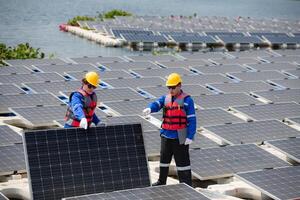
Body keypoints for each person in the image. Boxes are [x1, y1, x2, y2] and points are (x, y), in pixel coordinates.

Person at [142, 73, 196, 186]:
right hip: (166, 134)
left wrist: (190, 136)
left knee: (182, 163)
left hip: (180, 136)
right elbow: (157, 104)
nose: (171, 90)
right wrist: (150, 109)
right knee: (164, 161)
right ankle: (161, 181)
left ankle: (186, 184)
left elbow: (192, 119)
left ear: (179, 85)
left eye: (173, 87)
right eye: (169, 87)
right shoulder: (165, 98)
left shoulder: (187, 100)